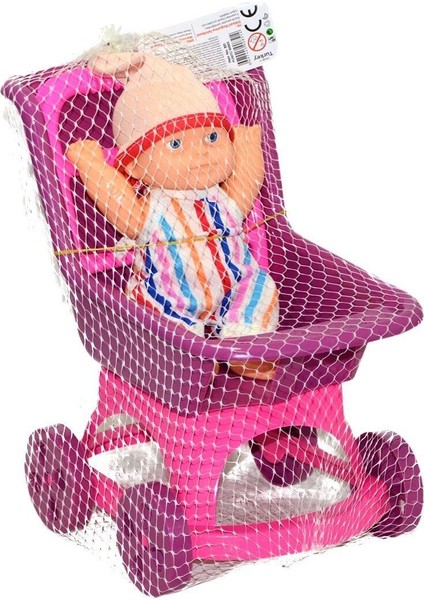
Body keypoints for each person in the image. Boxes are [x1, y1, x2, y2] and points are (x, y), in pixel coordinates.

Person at [67, 52, 279, 379]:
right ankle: (189, 359)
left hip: (232, 287)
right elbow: (118, 203)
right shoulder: (151, 209)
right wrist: (91, 164)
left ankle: (244, 343)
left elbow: (248, 181)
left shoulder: (223, 199)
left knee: (259, 285)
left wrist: (248, 145)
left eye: (212, 137)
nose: (201, 152)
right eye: (176, 144)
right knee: (156, 315)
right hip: (170, 297)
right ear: (134, 165)